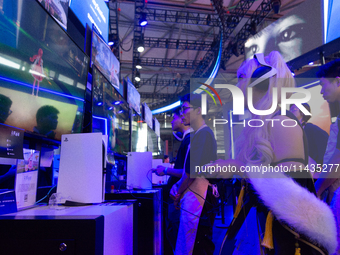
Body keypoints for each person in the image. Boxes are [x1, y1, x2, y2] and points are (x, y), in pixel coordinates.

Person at [209, 51, 337, 255]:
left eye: (241, 78)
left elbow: (292, 189)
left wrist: (238, 167)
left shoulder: (282, 123)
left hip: (278, 236)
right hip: (260, 226)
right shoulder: (263, 125)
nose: (237, 86)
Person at [169, 93, 218, 255]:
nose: (182, 114)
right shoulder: (201, 134)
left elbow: (190, 173)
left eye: (184, 109)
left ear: (198, 110)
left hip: (198, 198)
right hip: (197, 196)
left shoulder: (202, 135)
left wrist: (178, 194)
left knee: (194, 243)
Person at [153, 106, 192, 254]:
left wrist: (166, 170)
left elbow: (188, 172)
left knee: (177, 237)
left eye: (174, 117)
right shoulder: (186, 140)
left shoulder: (189, 140)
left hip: (180, 199)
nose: (171, 121)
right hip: (178, 197)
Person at [290, 103, 329, 167]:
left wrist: (320, 165)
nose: (290, 112)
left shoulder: (312, 129)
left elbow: (325, 146)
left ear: (302, 112)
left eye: (293, 110)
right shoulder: (292, 131)